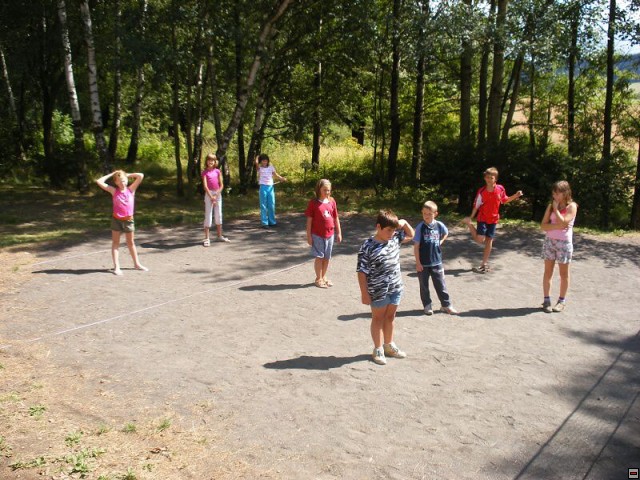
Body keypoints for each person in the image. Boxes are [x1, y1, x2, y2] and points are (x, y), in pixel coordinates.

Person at [357, 209, 415, 366]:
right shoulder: (368, 246)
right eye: (388, 230)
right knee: (378, 319)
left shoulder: (395, 238)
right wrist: (364, 293)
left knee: (390, 317)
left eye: (394, 230)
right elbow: (361, 272)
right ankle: (378, 349)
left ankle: (388, 345)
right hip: (377, 291)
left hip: (395, 287)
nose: (391, 233)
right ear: (378, 227)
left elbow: (411, 235)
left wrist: (404, 222)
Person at [462, 167, 523, 273]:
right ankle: (470, 224)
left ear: (496, 179)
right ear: (484, 178)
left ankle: (484, 264)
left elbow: (505, 200)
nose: (489, 179)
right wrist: (470, 217)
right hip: (482, 217)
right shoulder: (481, 191)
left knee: (489, 240)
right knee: (480, 239)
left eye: (492, 177)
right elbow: (476, 206)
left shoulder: (500, 189)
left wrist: (516, 196)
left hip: (493, 219)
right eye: (487, 177)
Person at [96, 170, 148, 276]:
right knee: (116, 243)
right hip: (116, 220)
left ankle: (137, 264)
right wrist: (112, 174)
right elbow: (99, 181)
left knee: (130, 243)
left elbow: (140, 175)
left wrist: (126, 175)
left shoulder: (131, 189)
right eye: (119, 181)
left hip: (128, 220)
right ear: (115, 182)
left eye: (124, 180)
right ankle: (117, 267)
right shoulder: (114, 191)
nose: (122, 182)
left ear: (127, 180)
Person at [413, 201, 458, 315]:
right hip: (423, 263)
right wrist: (418, 262)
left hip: (437, 262)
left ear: (435, 214)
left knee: (441, 285)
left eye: (429, 214)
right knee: (424, 286)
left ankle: (446, 305)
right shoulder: (420, 227)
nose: (426, 216)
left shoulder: (439, 225)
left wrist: (441, 241)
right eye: (424, 213)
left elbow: (446, 233)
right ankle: (427, 305)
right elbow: (416, 246)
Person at [540, 181, 578, 313]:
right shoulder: (550, 206)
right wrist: (557, 226)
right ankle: (546, 300)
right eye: (553, 193)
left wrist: (556, 210)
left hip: (564, 243)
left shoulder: (572, 206)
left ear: (565, 193)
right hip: (549, 241)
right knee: (548, 272)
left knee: (563, 274)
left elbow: (564, 222)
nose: (555, 196)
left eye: (558, 193)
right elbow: (543, 226)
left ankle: (561, 301)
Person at [305, 179, 342, 288]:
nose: (327, 192)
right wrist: (309, 236)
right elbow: (309, 220)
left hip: (330, 234)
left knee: (327, 257)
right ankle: (318, 278)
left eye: (328, 190)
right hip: (317, 235)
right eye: (324, 190)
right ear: (319, 189)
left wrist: (339, 232)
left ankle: (324, 276)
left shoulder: (332, 201)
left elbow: (336, 217)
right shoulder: (313, 203)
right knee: (319, 257)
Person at [202, 153, 230, 246]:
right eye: (209, 160)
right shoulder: (205, 172)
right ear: (206, 161)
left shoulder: (218, 171)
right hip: (209, 194)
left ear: (215, 162)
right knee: (208, 215)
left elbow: (221, 185)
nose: (210, 162)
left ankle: (219, 236)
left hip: (217, 193)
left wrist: (216, 195)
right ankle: (207, 238)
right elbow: (205, 186)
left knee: (218, 215)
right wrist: (211, 196)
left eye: (212, 160)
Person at [254, 153, 286, 228]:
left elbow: (275, 174)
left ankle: (272, 221)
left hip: (270, 187)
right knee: (263, 205)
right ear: (260, 161)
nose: (264, 162)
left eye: (266, 161)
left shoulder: (271, 167)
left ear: (268, 161)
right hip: (263, 187)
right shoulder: (259, 168)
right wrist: (257, 158)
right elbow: (256, 163)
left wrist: (281, 178)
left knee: (271, 204)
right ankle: (264, 223)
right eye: (263, 161)